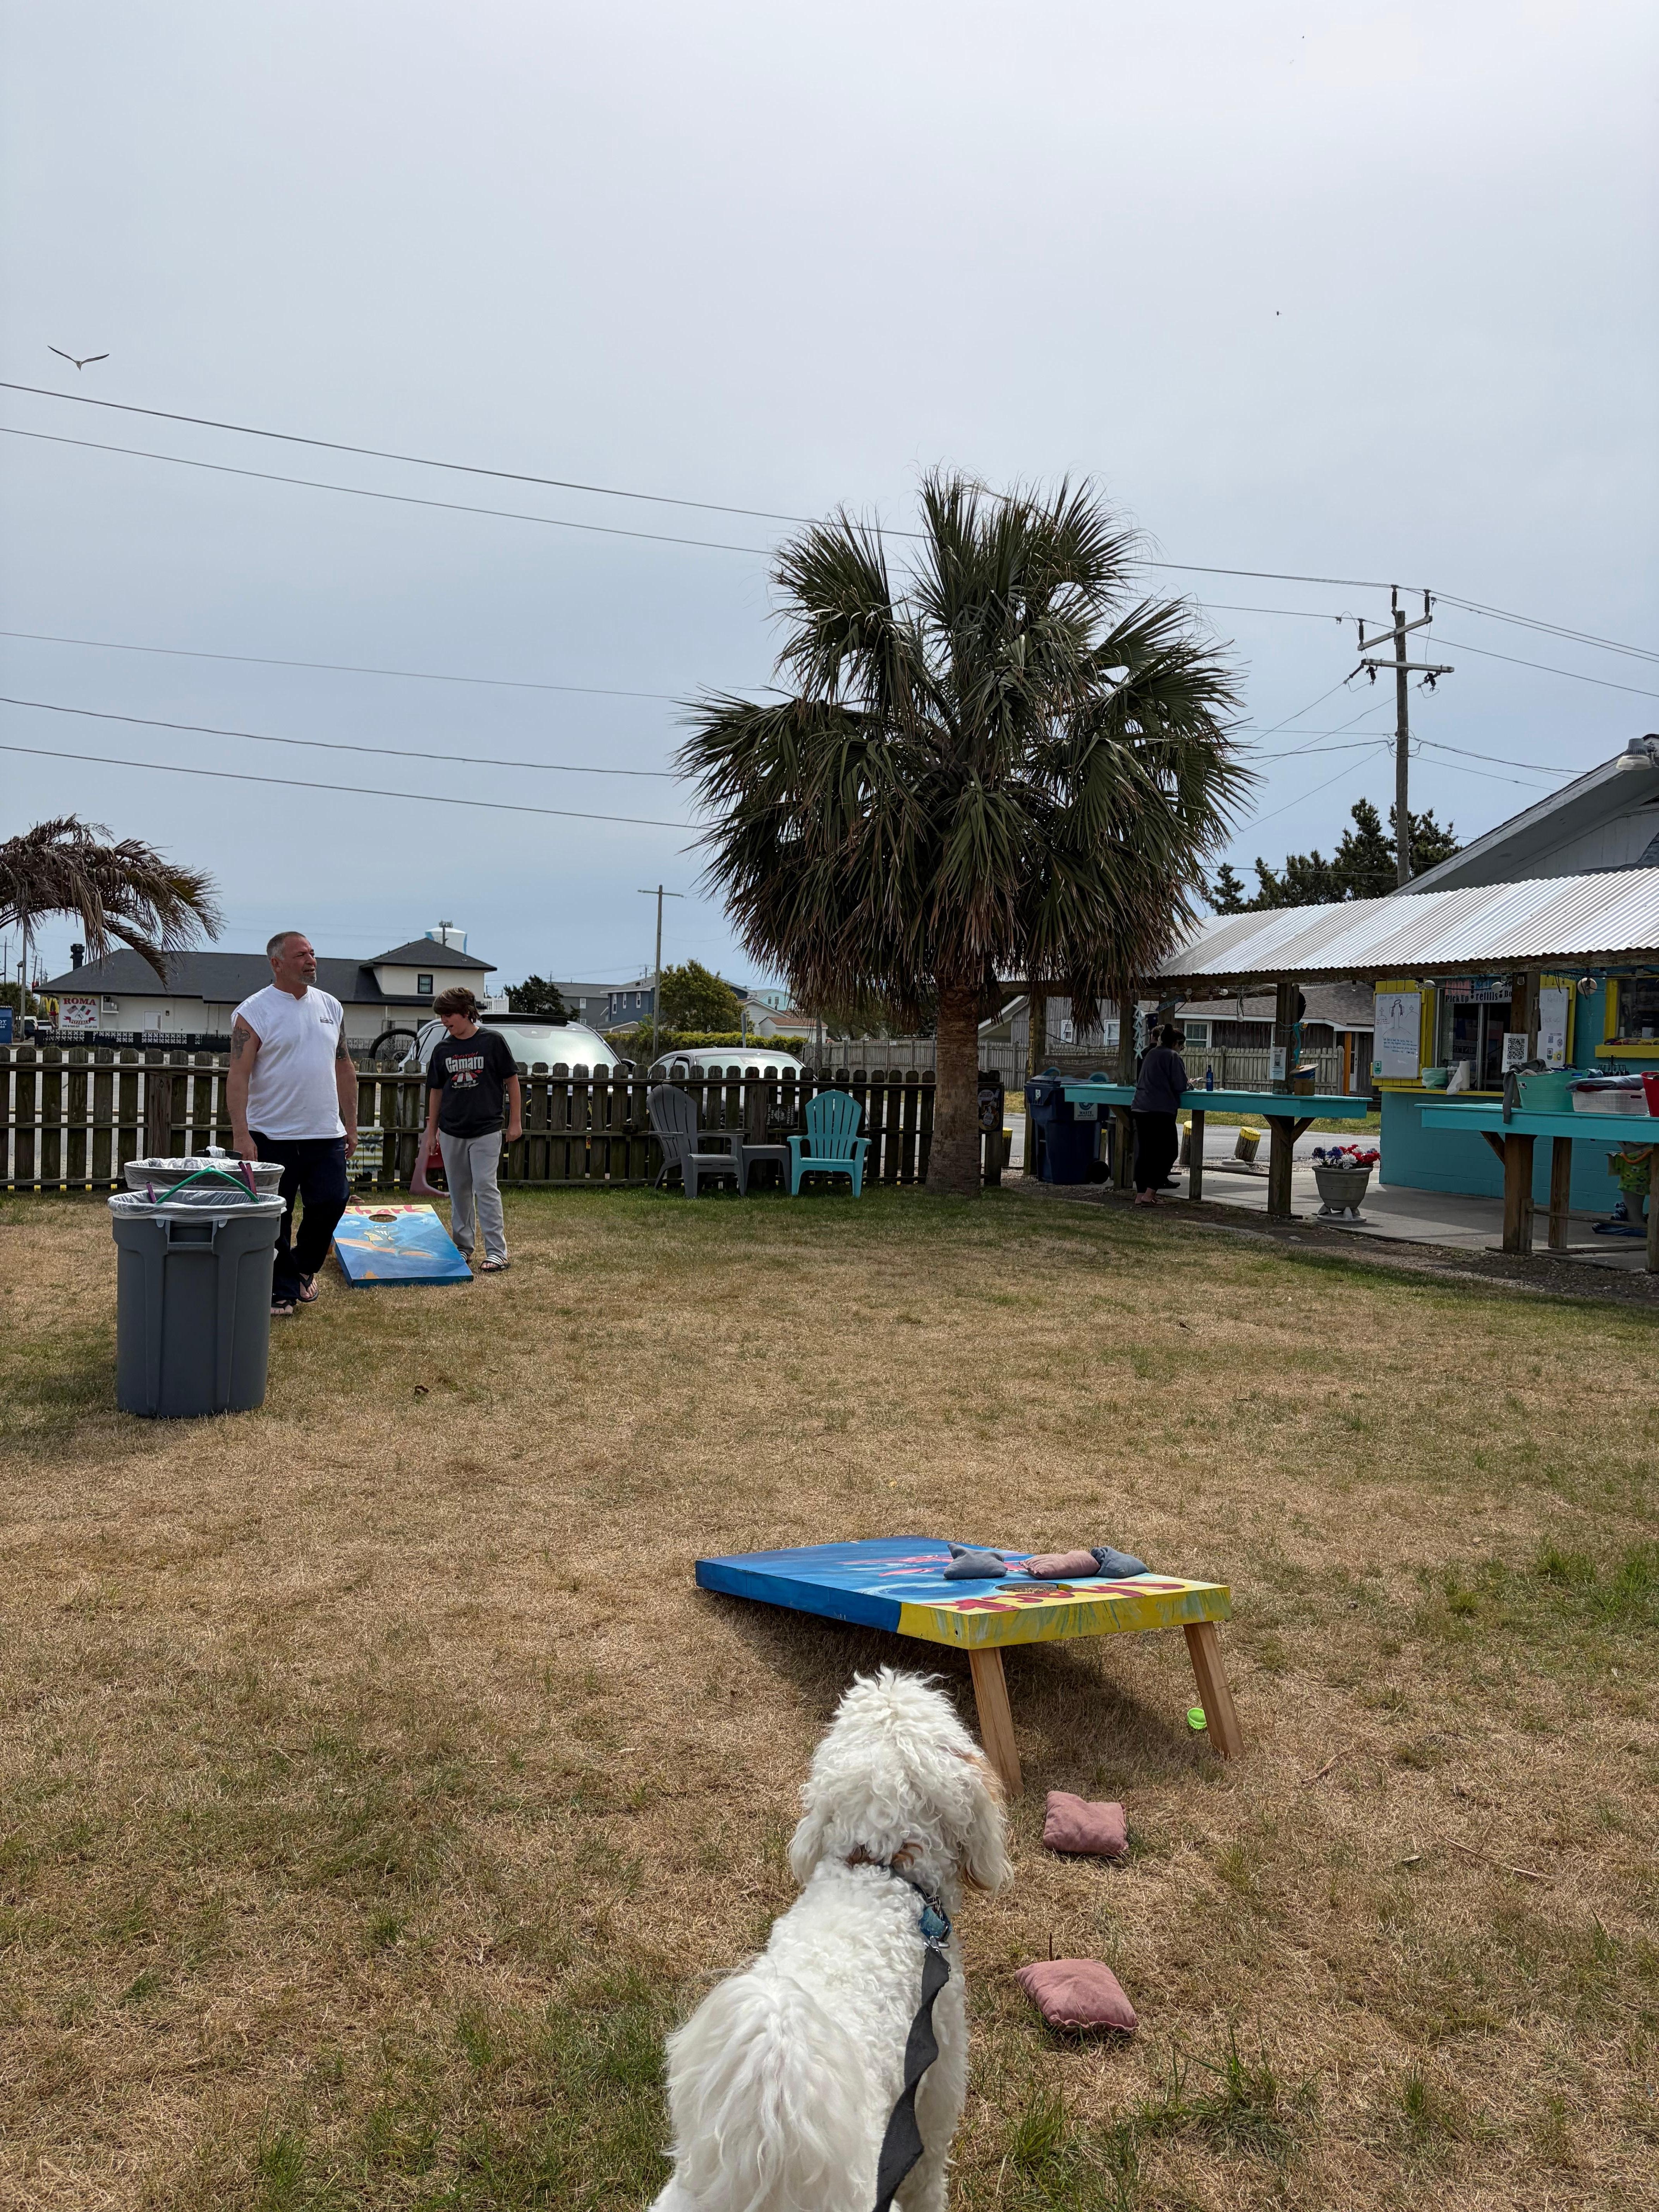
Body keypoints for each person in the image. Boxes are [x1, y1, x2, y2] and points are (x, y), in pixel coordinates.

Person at [228, 930, 357, 1316]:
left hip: (325, 1134)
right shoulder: (253, 1012)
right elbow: (238, 1075)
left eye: (313, 953)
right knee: (276, 1217)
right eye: (301, 955)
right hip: (272, 1136)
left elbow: (344, 1067)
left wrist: (352, 1126)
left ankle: (303, 1267)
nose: (311, 960)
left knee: (333, 1201)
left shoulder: (331, 1007)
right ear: (277, 963)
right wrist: (242, 1133)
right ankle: (282, 1290)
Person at [422, 988, 522, 1272]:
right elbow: (436, 1092)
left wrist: (515, 1122)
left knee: (485, 1187)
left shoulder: (492, 1042)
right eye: (441, 1016)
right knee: (459, 1191)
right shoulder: (443, 1050)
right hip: (452, 1131)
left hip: (486, 1130)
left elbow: (512, 1081)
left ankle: (497, 1252)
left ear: (466, 1012)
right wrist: (432, 1133)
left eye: (449, 1014)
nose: (444, 1021)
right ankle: (462, 1248)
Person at [1130, 1022, 1188, 1206]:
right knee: (1169, 1152)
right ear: (1175, 1044)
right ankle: (1150, 1193)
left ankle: (1140, 1195)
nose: (1182, 1049)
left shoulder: (1151, 1054)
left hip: (1140, 1107)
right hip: (1160, 1109)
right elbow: (1180, 1086)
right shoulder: (1173, 1057)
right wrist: (1190, 1084)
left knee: (1146, 1153)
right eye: (1182, 1046)